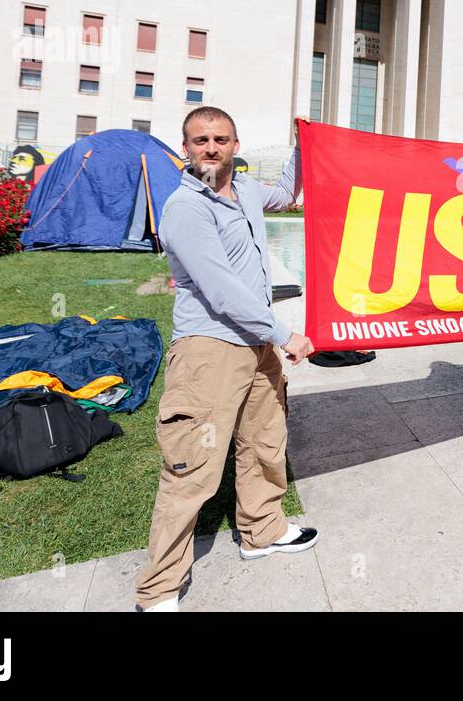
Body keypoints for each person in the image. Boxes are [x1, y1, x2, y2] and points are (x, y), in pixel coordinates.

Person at [135, 106, 316, 612]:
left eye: (220, 139)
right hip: (210, 350)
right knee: (192, 468)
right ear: (185, 148)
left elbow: (288, 189)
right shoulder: (185, 209)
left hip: (256, 345)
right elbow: (220, 290)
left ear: (235, 144)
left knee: (264, 443)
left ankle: (262, 532)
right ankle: (159, 590)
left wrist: (303, 143)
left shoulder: (248, 191)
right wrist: (285, 333)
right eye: (199, 140)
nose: (210, 148)